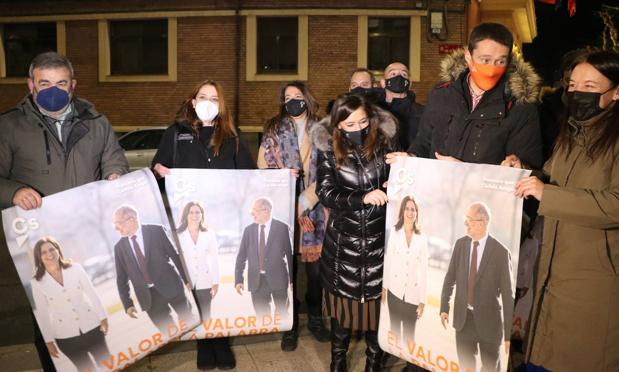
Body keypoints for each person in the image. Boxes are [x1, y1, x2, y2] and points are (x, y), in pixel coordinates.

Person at [0, 51, 128, 371]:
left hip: (86, 232)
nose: (52, 90)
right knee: (46, 320)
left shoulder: (96, 123)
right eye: (44, 83)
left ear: (73, 85)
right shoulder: (9, 126)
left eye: (60, 82)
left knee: (95, 306)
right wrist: (13, 191)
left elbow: (114, 160)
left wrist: (116, 176)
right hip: (37, 241)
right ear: (30, 85)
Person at [515, 50, 619, 372]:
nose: (578, 93)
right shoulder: (571, 131)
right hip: (551, 274)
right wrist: (524, 173)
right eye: (573, 85)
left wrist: (549, 194)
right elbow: (550, 179)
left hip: (594, 284)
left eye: (590, 85)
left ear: (616, 91)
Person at [152, 79, 254, 370]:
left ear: (221, 106)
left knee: (217, 282)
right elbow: (157, 169)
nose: (209, 101)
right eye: (203, 96)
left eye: (215, 98)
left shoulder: (232, 136)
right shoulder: (175, 133)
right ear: (193, 101)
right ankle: (203, 343)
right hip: (191, 224)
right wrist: (159, 171)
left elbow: (249, 176)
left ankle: (221, 342)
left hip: (223, 223)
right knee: (198, 282)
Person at [312, 93, 397, 372]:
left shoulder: (384, 143)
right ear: (338, 125)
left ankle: (374, 361)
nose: (357, 129)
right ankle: (338, 360)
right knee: (343, 311)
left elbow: (398, 185)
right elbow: (325, 192)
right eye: (349, 125)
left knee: (375, 310)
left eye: (362, 121)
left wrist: (402, 170)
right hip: (343, 245)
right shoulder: (327, 149)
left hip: (379, 243)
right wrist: (362, 198)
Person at [387, 23, 543, 170]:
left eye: (500, 61)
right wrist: (411, 156)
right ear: (468, 56)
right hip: (436, 192)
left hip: (480, 197)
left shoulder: (520, 108)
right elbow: (424, 141)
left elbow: (526, 169)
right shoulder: (441, 94)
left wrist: (517, 165)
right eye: (485, 60)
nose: (492, 69)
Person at [257, 80, 330, 351]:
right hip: (282, 209)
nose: (293, 101)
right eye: (287, 97)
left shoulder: (323, 130)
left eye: (298, 96)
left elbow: (328, 171)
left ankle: (314, 318)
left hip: (315, 210)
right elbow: (263, 167)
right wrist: (283, 189)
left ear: (307, 98)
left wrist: (304, 200)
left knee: (315, 273)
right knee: (286, 271)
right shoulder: (274, 129)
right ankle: (290, 324)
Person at [440, 202, 513, 372]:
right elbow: (450, 278)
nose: (465, 223)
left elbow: (508, 296)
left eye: (469, 220)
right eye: (465, 219)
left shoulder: (501, 253)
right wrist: (444, 306)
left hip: (490, 325)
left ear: (482, 222)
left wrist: (508, 334)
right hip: (463, 322)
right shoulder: (460, 245)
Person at [30, 236, 110, 372]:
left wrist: (103, 316)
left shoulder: (75, 268)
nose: (49, 254)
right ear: (39, 257)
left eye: (51, 249)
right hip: (66, 337)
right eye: (43, 252)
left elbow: (92, 293)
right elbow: (43, 314)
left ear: (58, 250)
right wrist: (48, 341)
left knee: (108, 365)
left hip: (92, 327)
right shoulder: (37, 281)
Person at [112, 205, 193, 333]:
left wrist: (187, 279)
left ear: (131, 220)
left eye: (118, 223)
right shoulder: (119, 248)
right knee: (169, 333)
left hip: (172, 286)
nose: (116, 228)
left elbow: (175, 256)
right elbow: (121, 279)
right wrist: (128, 304)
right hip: (148, 298)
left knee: (190, 322)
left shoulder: (157, 231)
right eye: (114, 224)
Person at [234, 198, 294, 327]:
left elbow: (290, 255)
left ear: (267, 211)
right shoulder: (248, 230)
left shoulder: (282, 228)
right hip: (257, 281)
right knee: (262, 317)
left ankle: (284, 337)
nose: (252, 214)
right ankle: (268, 336)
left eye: (255, 211)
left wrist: (292, 280)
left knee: (282, 314)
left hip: (279, 279)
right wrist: (238, 279)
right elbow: (241, 256)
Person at [382, 196, 428, 358]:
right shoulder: (394, 232)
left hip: (413, 295)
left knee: (410, 333)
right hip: (394, 290)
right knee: (394, 328)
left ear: (417, 213)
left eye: (413, 209)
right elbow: (388, 260)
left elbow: (424, 270)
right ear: (402, 211)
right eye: (407, 208)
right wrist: (384, 287)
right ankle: (392, 356)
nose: (410, 212)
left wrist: (422, 300)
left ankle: (409, 364)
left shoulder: (422, 237)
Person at [176, 201, 220, 324]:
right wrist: (183, 280)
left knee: (206, 316)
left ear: (202, 214)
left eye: (198, 212)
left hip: (205, 281)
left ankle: (207, 341)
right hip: (185, 283)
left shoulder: (209, 233)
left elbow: (214, 258)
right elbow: (175, 261)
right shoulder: (178, 234)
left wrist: (216, 282)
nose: (195, 215)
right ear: (186, 214)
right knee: (188, 318)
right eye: (191, 212)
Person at [378, 62, 425, 150]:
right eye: (393, 74)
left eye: (404, 74)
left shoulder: (422, 112)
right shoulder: (375, 112)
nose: (399, 77)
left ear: (409, 84)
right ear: (383, 83)